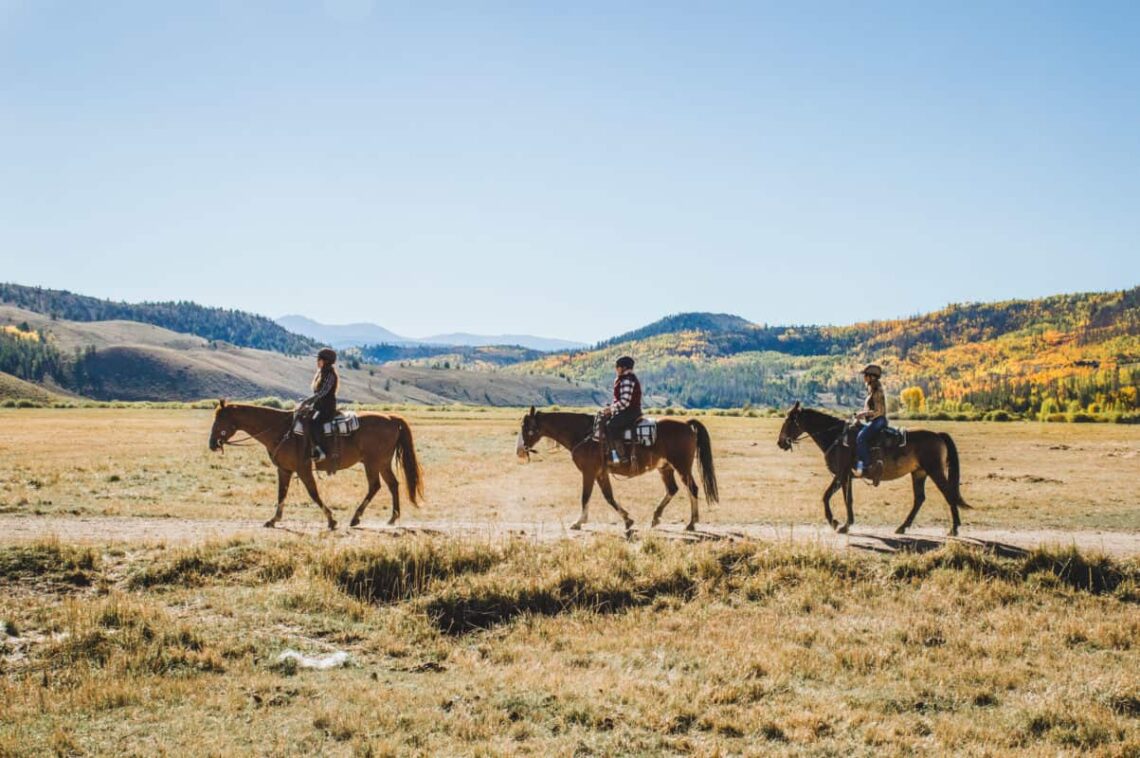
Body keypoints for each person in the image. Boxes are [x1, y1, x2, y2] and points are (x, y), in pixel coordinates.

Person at [299, 348, 339, 461]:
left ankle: (320, 451)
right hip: (319, 406)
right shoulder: (321, 373)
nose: (317, 361)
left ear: (326, 361)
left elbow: (322, 393)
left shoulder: (330, 375)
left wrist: (307, 401)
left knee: (314, 424)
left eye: (319, 359)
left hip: (326, 408)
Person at [602, 356, 642, 464]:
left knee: (611, 426)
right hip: (627, 410)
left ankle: (621, 456)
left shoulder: (627, 380)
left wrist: (611, 409)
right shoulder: (624, 379)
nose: (616, 369)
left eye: (617, 367)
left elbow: (625, 401)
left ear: (624, 368)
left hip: (630, 411)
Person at [853, 364, 886, 478]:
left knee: (861, 438)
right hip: (873, 421)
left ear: (872, 377)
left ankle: (867, 466)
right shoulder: (872, 390)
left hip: (879, 421)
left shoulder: (877, 391)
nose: (864, 377)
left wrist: (863, 414)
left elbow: (879, 411)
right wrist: (860, 415)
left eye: (866, 375)